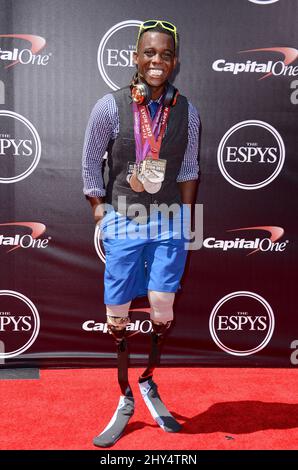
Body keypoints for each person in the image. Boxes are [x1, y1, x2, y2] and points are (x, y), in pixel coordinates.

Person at [82, 19, 200, 447]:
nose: (157, 61)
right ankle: (124, 393)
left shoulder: (187, 110)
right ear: (136, 57)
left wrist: (187, 218)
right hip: (123, 218)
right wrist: (99, 213)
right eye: (149, 53)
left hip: (169, 219)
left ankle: (148, 379)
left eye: (166, 54)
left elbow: (188, 169)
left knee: (162, 309)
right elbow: (90, 162)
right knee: (117, 315)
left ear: (175, 62)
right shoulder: (109, 106)